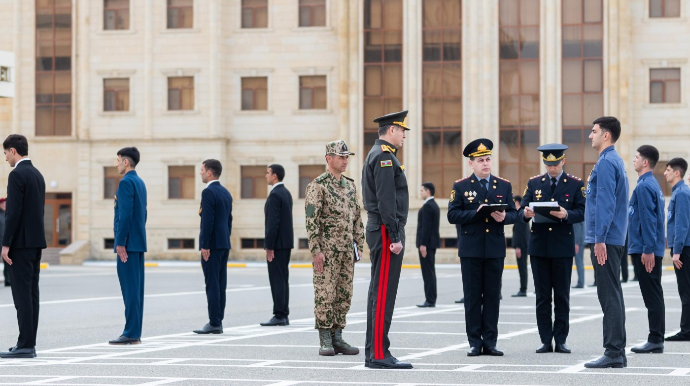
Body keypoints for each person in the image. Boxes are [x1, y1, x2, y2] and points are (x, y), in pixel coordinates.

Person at [448, 138, 517, 357]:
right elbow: (452, 214)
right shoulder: (461, 186)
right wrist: (475, 213)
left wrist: (505, 217)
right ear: (471, 164)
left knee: (492, 297)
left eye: (488, 159)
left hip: (495, 250)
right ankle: (474, 342)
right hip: (471, 250)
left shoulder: (503, 185)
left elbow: (515, 214)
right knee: (472, 297)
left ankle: (490, 342)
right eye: (480, 161)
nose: (486, 164)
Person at [520, 144, 585, 354]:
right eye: (548, 165)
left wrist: (566, 214)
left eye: (555, 164)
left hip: (562, 247)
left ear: (563, 161)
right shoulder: (534, 183)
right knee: (542, 297)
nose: (552, 169)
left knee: (562, 296)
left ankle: (561, 339)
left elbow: (583, 211)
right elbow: (522, 208)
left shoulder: (575, 184)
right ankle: (546, 340)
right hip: (539, 247)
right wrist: (526, 213)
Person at [361, 110, 412, 369]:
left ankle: (374, 351)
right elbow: (386, 200)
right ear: (391, 130)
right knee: (383, 294)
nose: (404, 135)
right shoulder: (383, 157)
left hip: (381, 228)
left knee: (378, 293)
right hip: (384, 229)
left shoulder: (381, 155)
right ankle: (379, 354)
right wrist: (395, 234)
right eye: (402, 130)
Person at [305, 140, 363, 356]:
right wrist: (316, 251)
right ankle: (325, 339)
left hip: (347, 251)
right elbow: (312, 220)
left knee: (343, 295)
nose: (345, 160)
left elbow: (357, 217)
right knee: (325, 294)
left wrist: (359, 245)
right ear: (329, 158)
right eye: (341, 157)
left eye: (347, 157)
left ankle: (338, 337)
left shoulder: (350, 185)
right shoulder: (317, 186)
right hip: (326, 253)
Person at [583, 116, 629, 369]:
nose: (590, 136)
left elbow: (606, 203)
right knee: (613, 293)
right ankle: (617, 351)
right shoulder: (613, 160)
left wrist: (599, 238)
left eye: (594, 131)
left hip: (606, 239)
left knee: (609, 295)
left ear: (606, 135)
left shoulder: (606, 163)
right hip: (611, 238)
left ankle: (613, 352)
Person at [0, 135, 46, 359]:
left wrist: (6, 243)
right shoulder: (37, 174)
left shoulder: (17, 174)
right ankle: (28, 342)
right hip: (35, 242)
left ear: (13, 151)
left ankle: (25, 345)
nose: (6, 158)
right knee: (31, 294)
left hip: (20, 244)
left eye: (6, 153)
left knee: (21, 296)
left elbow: (13, 213)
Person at [627, 145, 666, 353]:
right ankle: (656, 338)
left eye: (636, 157)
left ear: (645, 162)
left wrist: (648, 249)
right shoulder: (653, 184)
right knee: (654, 293)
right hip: (650, 247)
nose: (634, 160)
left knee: (651, 295)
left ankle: (655, 339)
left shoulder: (644, 186)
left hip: (646, 249)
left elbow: (649, 220)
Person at [109, 147, 148, 345]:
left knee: (130, 290)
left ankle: (131, 332)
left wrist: (121, 243)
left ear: (126, 162)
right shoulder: (140, 183)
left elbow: (124, 216)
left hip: (128, 245)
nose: (116, 164)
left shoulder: (125, 183)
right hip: (138, 243)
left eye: (118, 160)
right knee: (136, 290)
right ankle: (134, 331)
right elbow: (143, 216)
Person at [193, 159, 233, 335]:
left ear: (209, 172)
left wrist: (205, 245)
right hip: (223, 243)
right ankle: (218, 320)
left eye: (202, 170)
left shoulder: (208, 192)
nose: (200, 173)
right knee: (220, 283)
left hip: (212, 245)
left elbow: (207, 221)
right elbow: (229, 221)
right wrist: (225, 239)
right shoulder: (226, 193)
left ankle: (214, 322)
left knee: (212, 284)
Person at [261, 164, 294, 326]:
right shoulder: (286, 193)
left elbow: (272, 223)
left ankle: (280, 314)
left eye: (268, 173)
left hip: (277, 245)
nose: (266, 176)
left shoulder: (275, 194)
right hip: (285, 243)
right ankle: (283, 313)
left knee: (277, 279)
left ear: (275, 176)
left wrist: (269, 246)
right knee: (282, 279)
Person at [664, 157, 690, 342]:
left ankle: (686, 330)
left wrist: (677, 251)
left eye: (668, 169)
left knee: (685, 290)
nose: (665, 173)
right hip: (684, 247)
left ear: (677, 173)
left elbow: (682, 224)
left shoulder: (681, 193)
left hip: (684, 249)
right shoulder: (680, 192)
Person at [416, 182, 440, 307]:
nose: (420, 193)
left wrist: (423, 244)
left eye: (421, 191)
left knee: (428, 272)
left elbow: (426, 228)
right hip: (431, 244)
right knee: (430, 271)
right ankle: (431, 299)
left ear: (428, 192)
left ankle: (430, 300)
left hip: (427, 244)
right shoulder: (434, 205)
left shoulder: (428, 207)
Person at [511, 195, 530, 298]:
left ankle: (523, 289)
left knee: (522, 267)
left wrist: (517, 247)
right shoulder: (521, 214)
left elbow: (520, 233)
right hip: (523, 245)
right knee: (522, 267)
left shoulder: (520, 215)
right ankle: (523, 288)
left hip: (522, 245)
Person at [572, 221, 585, 288]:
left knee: (579, 262)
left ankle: (581, 282)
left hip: (578, 243)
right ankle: (581, 282)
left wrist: (576, 243)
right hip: (580, 242)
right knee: (580, 262)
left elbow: (578, 230)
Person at [0, 198, 8, 287]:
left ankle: (8, 280)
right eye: (2, 204)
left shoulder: (7, 214)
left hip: (5, 242)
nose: (4, 205)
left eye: (5, 204)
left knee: (7, 262)